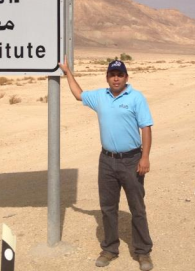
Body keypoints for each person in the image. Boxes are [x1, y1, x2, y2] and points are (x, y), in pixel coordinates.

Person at [59, 57, 154, 271]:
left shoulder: (136, 98)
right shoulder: (101, 96)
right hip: (107, 161)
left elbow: (146, 128)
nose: (116, 78)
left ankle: (143, 252)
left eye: (120, 74)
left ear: (126, 77)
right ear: (108, 77)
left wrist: (145, 156)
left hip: (132, 160)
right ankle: (110, 249)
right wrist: (67, 72)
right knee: (108, 207)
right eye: (112, 75)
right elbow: (78, 94)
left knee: (137, 207)